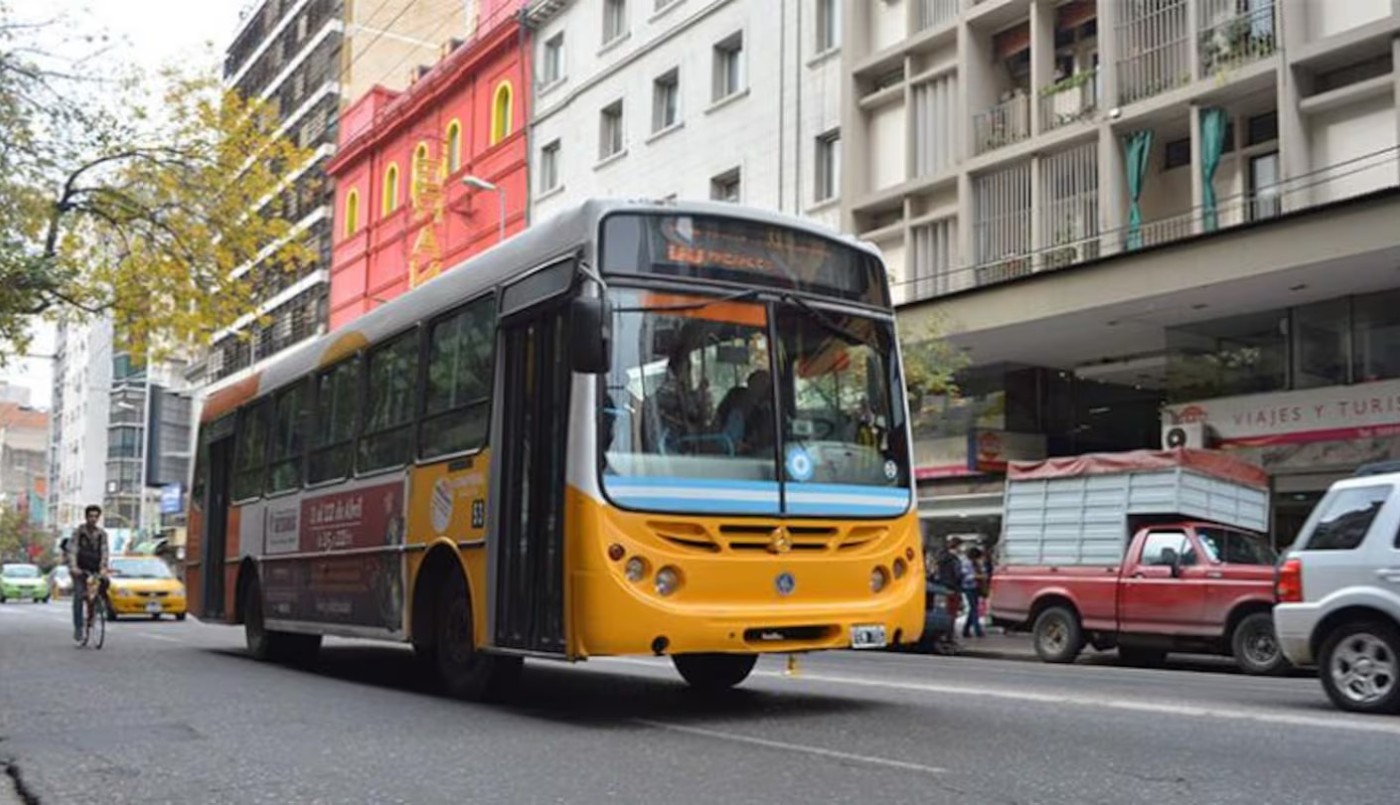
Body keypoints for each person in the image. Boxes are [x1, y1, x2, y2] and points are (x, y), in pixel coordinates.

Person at [67, 504, 110, 642]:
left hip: (95, 570)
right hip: (80, 570)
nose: (93, 519)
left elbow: (105, 552)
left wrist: (103, 567)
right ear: (86, 517)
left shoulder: (102, 534)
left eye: (96, 516)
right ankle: (78, 627)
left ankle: (96, 612)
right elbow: (72, 550)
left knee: (103, 585)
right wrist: (74, 567)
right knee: (79, 597)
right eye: (90, 516)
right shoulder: (78, 533)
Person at [653, 350, 710, 453]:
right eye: (687, 368)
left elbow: (692, 411)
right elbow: (685, 409)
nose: (687, 373)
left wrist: (699, 396)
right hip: (666, 436)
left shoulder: (679, 389)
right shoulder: (668, 387)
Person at [961, 546, 989, 639]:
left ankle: (966, 630)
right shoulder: (966, 564)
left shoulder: (977, 563)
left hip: (976, 587)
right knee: (974, 609)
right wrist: (976, 576)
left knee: (973, 609)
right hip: (969, 588)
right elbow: (965, 577)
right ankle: (978, 631)